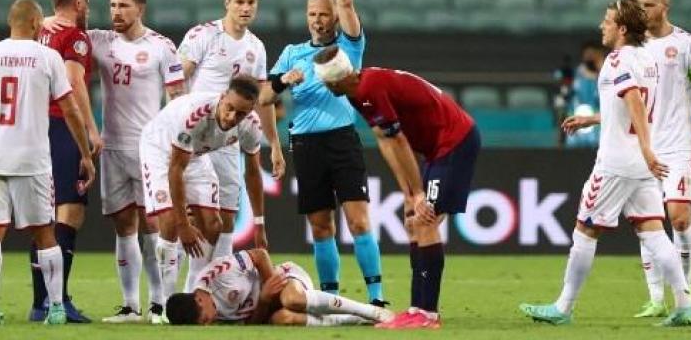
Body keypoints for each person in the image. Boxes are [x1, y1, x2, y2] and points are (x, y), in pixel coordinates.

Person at [521, 0, 691, 327]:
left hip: (616, 162)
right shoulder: (648, 59)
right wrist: (594, 122)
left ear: (620, 28)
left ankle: (563, 307)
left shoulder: (617, 60)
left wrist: (646, 148)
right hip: (642, 163)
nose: (601, 25)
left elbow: (633, 101)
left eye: (606, 20)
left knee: (585, 230)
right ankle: (686, 304)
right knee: (653, 232)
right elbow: (636, 109)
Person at [43, 0, 187, 323]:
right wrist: (47, 21)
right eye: (112, 6)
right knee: (123, 224)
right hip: (112, 146)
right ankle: (129, 305)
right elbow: (61, 36)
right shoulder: (100, 41)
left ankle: (158, 303)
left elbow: (178, 98)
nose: (116, 13)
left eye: (124, 6)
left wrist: (175, 143)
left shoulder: (161, 47)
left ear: (141, 9)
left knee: (153, 224)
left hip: (149, 148)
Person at [312, 46, 480, 329]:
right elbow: (385, 140)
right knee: (414, 221)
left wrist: (417, 193)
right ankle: (416, 308)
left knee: (425, 220)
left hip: (454, 142)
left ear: (338, 80)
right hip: (435, 150)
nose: (327, 89)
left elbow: (399, 141)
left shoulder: (369, 89)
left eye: (328, 84)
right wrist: (408, 192)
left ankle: (427, 314)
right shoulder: (358, 91)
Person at [259, 0, 385, 306]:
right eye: (312, 14)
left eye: (324, 14)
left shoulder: (349, 45)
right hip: (306, 144)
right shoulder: (292, 53)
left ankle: (376, 296)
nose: (318, 20)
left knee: (359, 221)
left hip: (342, 139)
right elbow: (263, 96)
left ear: (334, 18)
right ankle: (330, 300)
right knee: (320, 226)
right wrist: (283, 80)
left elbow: (347, 2)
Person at [0, 0, 95, 325]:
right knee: (44, 233)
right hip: (32, 158)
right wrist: (84, 152)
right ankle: (54, 308)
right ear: (38, 24)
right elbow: (69, 108)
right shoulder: (47, 56)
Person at [178, 0, 283, 270]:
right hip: (196, 137)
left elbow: (264, 99)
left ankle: (212, 285)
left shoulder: (257, 47)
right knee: (189, 218)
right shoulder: (203, 35)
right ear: (227, 2)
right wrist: (176, 122)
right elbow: (176, 79)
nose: (245, 8)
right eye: (239, 2)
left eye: (251, 2)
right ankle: (170, 297)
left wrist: (273, 143)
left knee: (225, 217)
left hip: (228, 139)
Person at [631, 0, 691, 318]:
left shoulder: (687, 44)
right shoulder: (631, 47)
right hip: (643, 147)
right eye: (638, 5)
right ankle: (655, 298)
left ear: (665, 6)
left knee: (679, 218)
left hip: (679, 145)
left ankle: (685, 286)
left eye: (648, 6)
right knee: (647, 223)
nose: (642, 11)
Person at [140, 76, 263, 308]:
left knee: (213, 226)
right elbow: (175, 169)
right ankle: (163, 305)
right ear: (223, 96)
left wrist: (260, 224)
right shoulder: (195, 115)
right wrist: (183, 224)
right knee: (169, 223)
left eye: (241, 114)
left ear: (251, 111)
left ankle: (190, 297)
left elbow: (254, 173)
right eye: (230, 108)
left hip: (194, 155)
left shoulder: (251, 126)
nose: (231, 118)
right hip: (159, 149)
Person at [30, 0, 102, 323]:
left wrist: (41, 20)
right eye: (86, 2)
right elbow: (73, 86)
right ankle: (54, 300)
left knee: (43, 216)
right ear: (76, 4)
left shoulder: (41, 33)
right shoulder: (74, 38)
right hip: (62, 126)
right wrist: (90, 129)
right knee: (69, 212)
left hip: (37, 126)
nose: (88, 7)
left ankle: (39, 301)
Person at [165, 249, 394, 326]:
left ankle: (370, 311)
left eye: (204, 318)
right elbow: (252, 325)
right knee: (283, 318)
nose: (208, 322)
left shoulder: (217, 274)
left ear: (198, 299)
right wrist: (264, 300)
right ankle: (354, 321)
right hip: (269, 306)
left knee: (291, 300)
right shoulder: (213, 314)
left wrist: (269, 284)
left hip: (285, 278)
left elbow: (259, 254)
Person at [566, 41, 607, 148]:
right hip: (578, 119)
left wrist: (600, 70)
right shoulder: (577, 74)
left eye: (593, 55)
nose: (590, 58)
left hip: (599, 123)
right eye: (587, 55)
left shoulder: (608, 74)